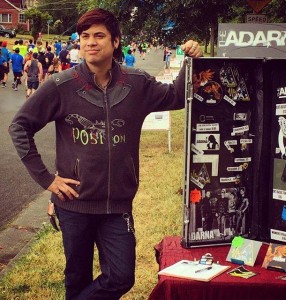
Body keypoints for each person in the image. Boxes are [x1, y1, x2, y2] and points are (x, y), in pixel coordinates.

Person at [9, 8, 202, 300]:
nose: (90, 42)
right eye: (84, 36)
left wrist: (191, 60)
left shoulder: (137, 84)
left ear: (115, 42)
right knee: (77, 278)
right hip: (74, 205)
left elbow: (176, 96)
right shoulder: (62, 85)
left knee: (121, 277)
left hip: (117, 206)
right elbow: (20, 127)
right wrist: (47, 180)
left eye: (99, 35)